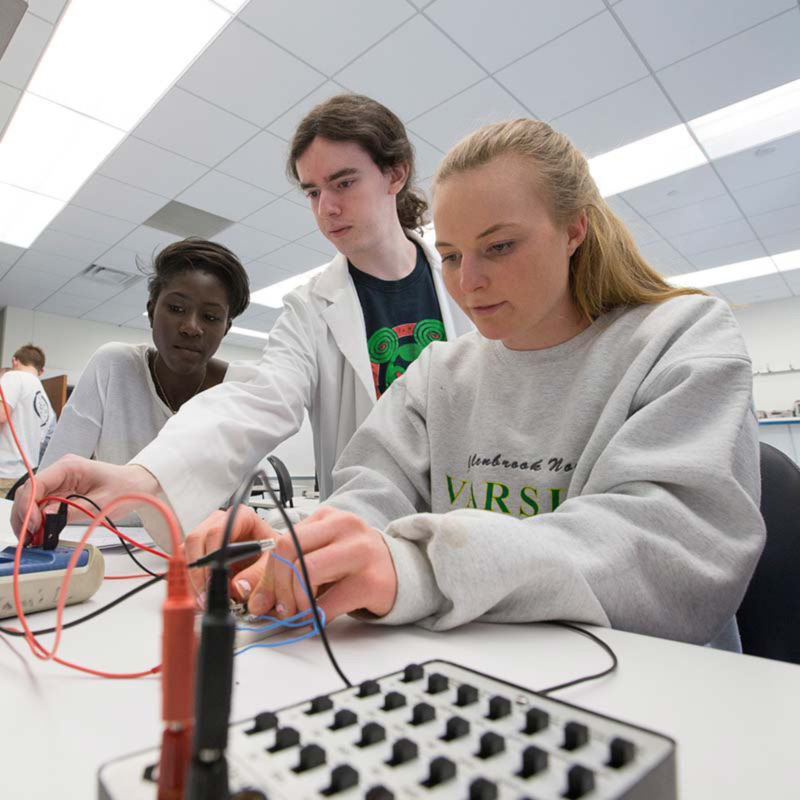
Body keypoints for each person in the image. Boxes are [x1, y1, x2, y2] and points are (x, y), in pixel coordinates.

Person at [184, 119, 765, 651]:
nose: (470, 282)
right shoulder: (439, 373)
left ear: (574, 229)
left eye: (500, 246)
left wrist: (423, 566)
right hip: (484, 672)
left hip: (660, 689)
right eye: (452, 255)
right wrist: (294, 546)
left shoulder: (681, 338)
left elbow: (668, 556)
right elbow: (370, 501)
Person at [12, 94, 471, 539]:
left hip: (471, 524)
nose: (325, 208)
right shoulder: (308, 309)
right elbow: (257, 404)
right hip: (369, 539)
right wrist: (144, 477)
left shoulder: (468, 280)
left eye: (343, 183)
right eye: (313, 191)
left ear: (395, 174)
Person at [39, 237, 250, 473]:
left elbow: (234, 502)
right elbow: (53, 479)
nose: (191, 327)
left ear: (226, 329)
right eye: (177, 308)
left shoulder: (236, 390)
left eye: (210, 317)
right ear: (151, 312)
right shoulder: (114, 366)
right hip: (103, 511)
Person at [0, 345, 55, 497]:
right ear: (41, 371)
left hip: (4, 472)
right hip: (25, 476)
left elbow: (1, 415)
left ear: (14, 361)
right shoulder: (44, 399)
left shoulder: (13, 376)